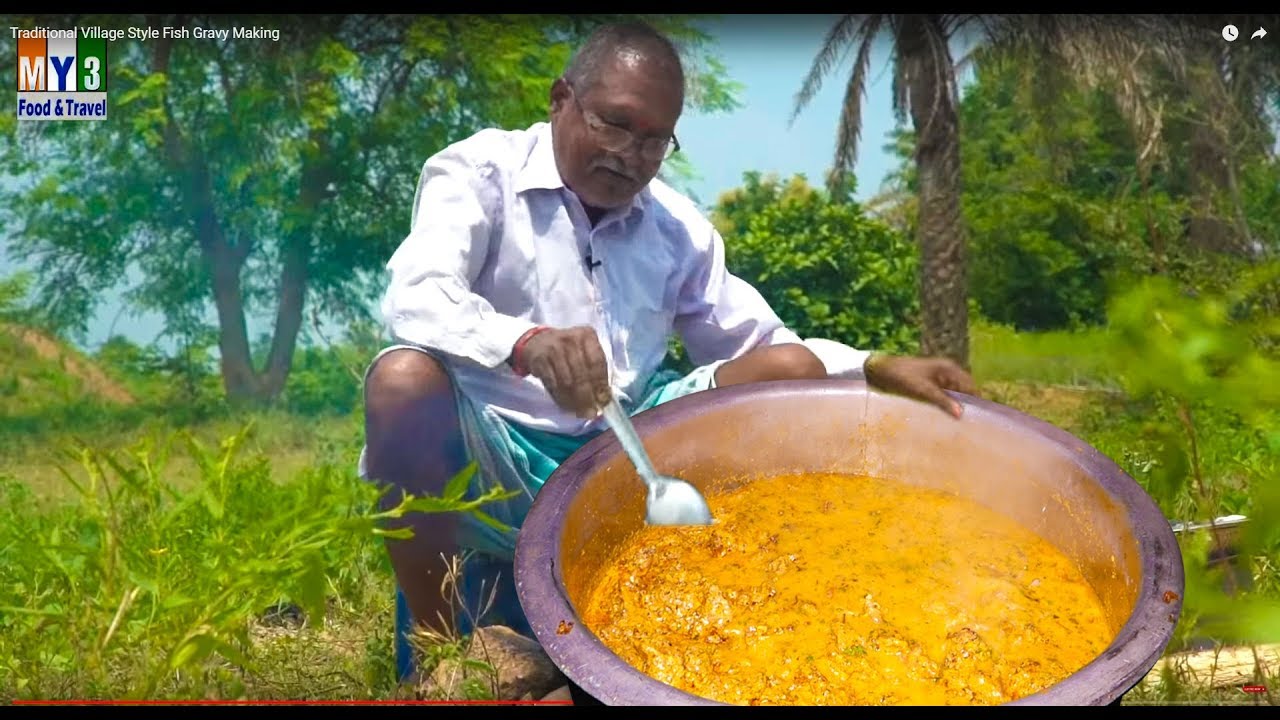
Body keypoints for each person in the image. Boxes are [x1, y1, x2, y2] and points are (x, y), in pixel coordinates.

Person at [357, 20, 977, 683]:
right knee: (401, 381)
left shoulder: (677, 227)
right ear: (561, 98)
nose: (632, 154)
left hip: (621, 453)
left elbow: (765, 345)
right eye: (616, 125)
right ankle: (439, 657)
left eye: (656, 140)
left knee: (788, 373)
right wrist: (526, 343)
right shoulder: (479, 172)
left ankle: (747, 610)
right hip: (493, 449)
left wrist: (875, 365)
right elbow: (415, 296)